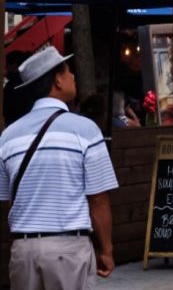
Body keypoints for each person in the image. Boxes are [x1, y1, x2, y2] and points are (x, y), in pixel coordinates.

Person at [0, 46, 118, 290]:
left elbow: (6, 202)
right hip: (68, 250)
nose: (73, 76)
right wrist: (106, 250)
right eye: (68, 71)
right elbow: (98, 200)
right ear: (57, 80)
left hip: (23, 251)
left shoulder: (8, 137)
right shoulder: (85, 130)